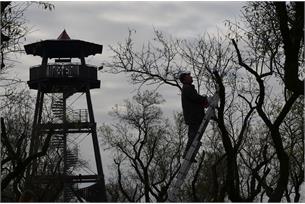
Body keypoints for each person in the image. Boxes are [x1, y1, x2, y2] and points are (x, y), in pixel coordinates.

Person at [179, 71, 209, 162]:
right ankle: (188, 153)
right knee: (193, 136)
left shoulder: (189, 88)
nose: (191, 77)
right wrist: (205, 99)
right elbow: (195, 98)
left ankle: (190, 154)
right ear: (185, 79)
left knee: (194, 136)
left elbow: (195, 99)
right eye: (189, 76)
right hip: (193, 117)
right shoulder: (187, 88)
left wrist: (203, 101)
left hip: (195, 116)